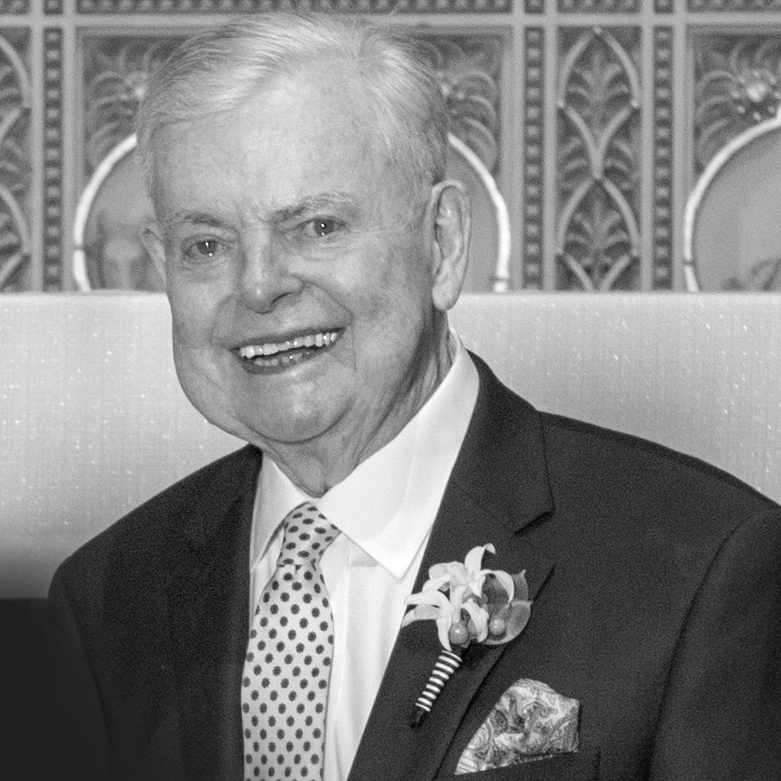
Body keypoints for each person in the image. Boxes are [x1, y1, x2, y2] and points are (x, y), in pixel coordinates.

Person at [42, 12, 781, 781]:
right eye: (206, 244)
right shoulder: (106, 598)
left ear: (443, 243)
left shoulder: (701, 571)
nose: (258, 285)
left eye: (317, 226)